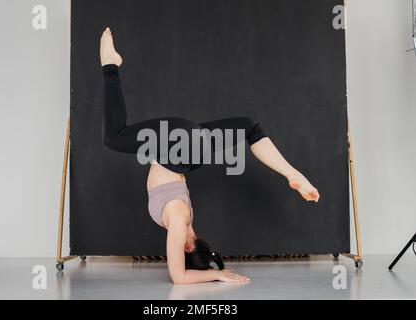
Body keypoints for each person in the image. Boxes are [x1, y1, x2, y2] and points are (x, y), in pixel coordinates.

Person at [100, 27, 320, 284]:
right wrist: (215, 274)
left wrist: (213, 268)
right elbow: (178, 277)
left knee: (249, 127)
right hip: (177, 146)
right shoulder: (179, 220)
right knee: (114, 137)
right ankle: (110, 66)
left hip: (187, 145)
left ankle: (292, 173)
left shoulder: (185, 217)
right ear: (187, 248)